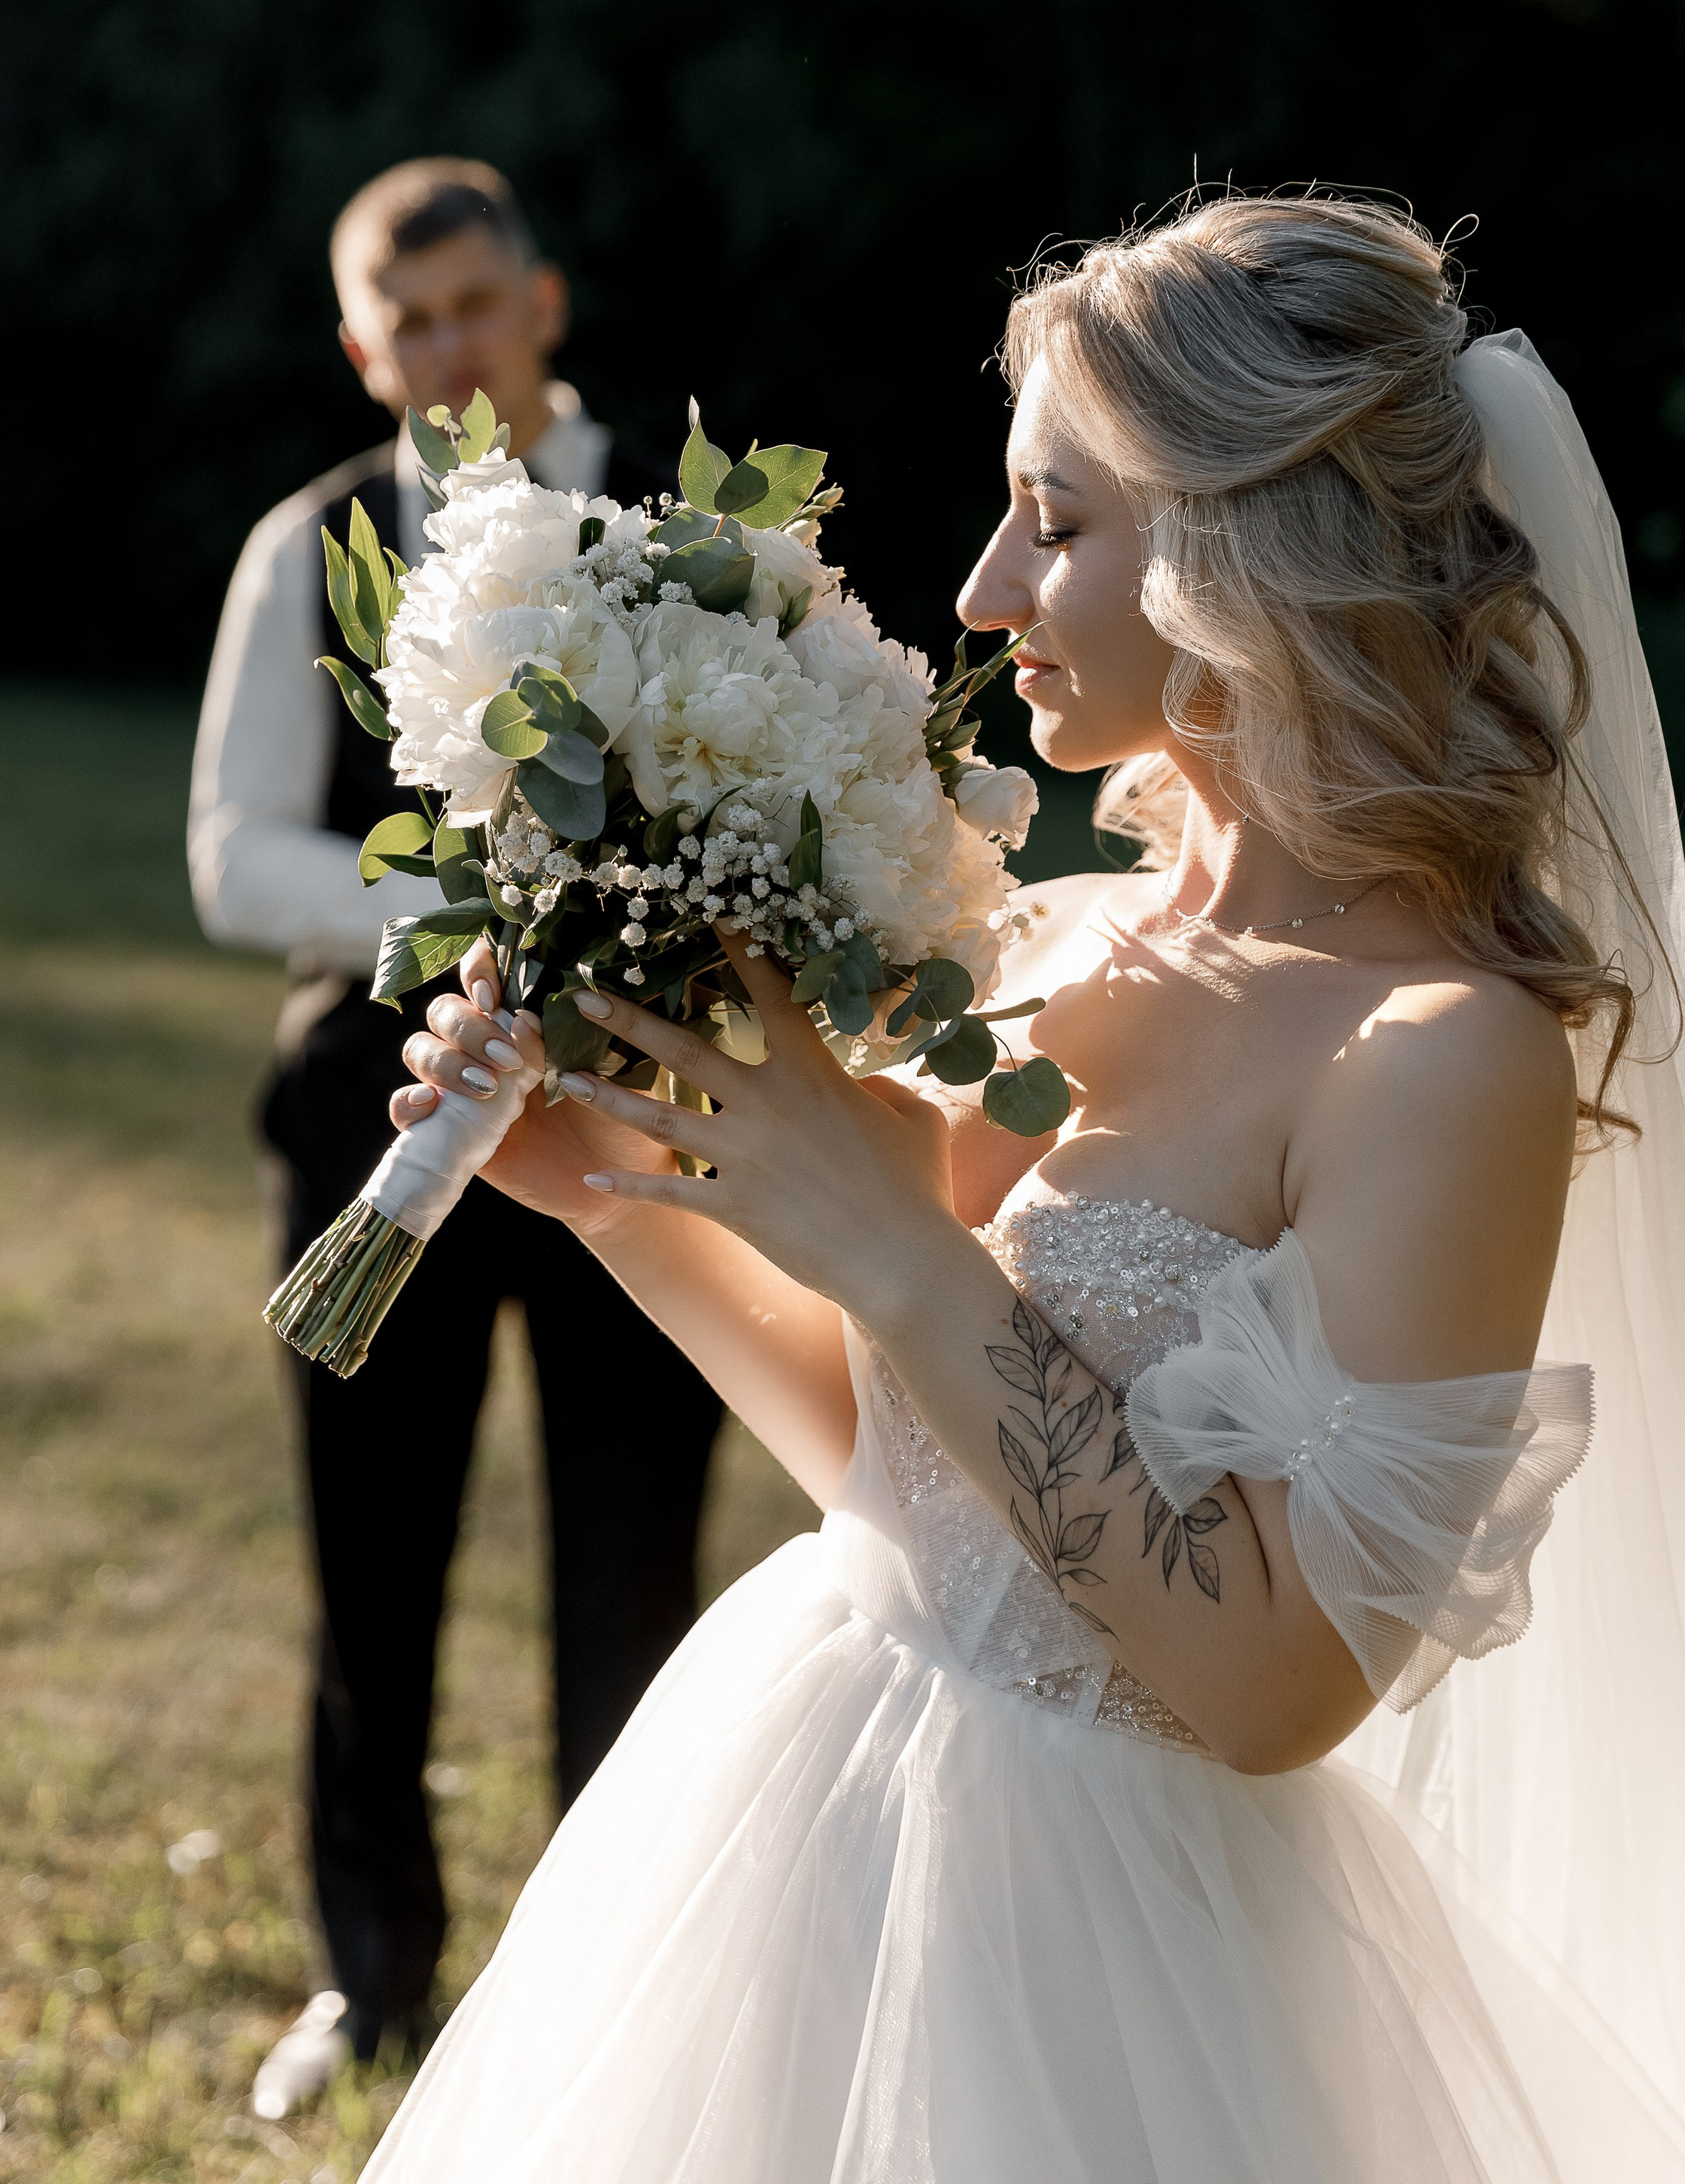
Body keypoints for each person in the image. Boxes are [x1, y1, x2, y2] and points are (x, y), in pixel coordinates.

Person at [362, 195, 1685, 2181]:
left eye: (1058, 525)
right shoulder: (1058, 938)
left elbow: (1270, 1682)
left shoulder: (1444, 1057)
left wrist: (906, 1249)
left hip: (1103, 1949)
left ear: (1257, 551)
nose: (980, 593)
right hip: (809, 1798)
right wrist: (610, 1192)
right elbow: (905, 1473)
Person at [187, 157, 721, 2112]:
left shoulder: (676, 526)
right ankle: (371, 1978)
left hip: (638, 1113)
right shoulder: (306, 543)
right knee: (374, 1568)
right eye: (403, 322)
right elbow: (235, 859)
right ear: (359, 344)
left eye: (474, 304)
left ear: (544, 301)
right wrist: (477, 916)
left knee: (632, 1579)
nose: (447, 350)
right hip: (377, 1120)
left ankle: (631, 2007)